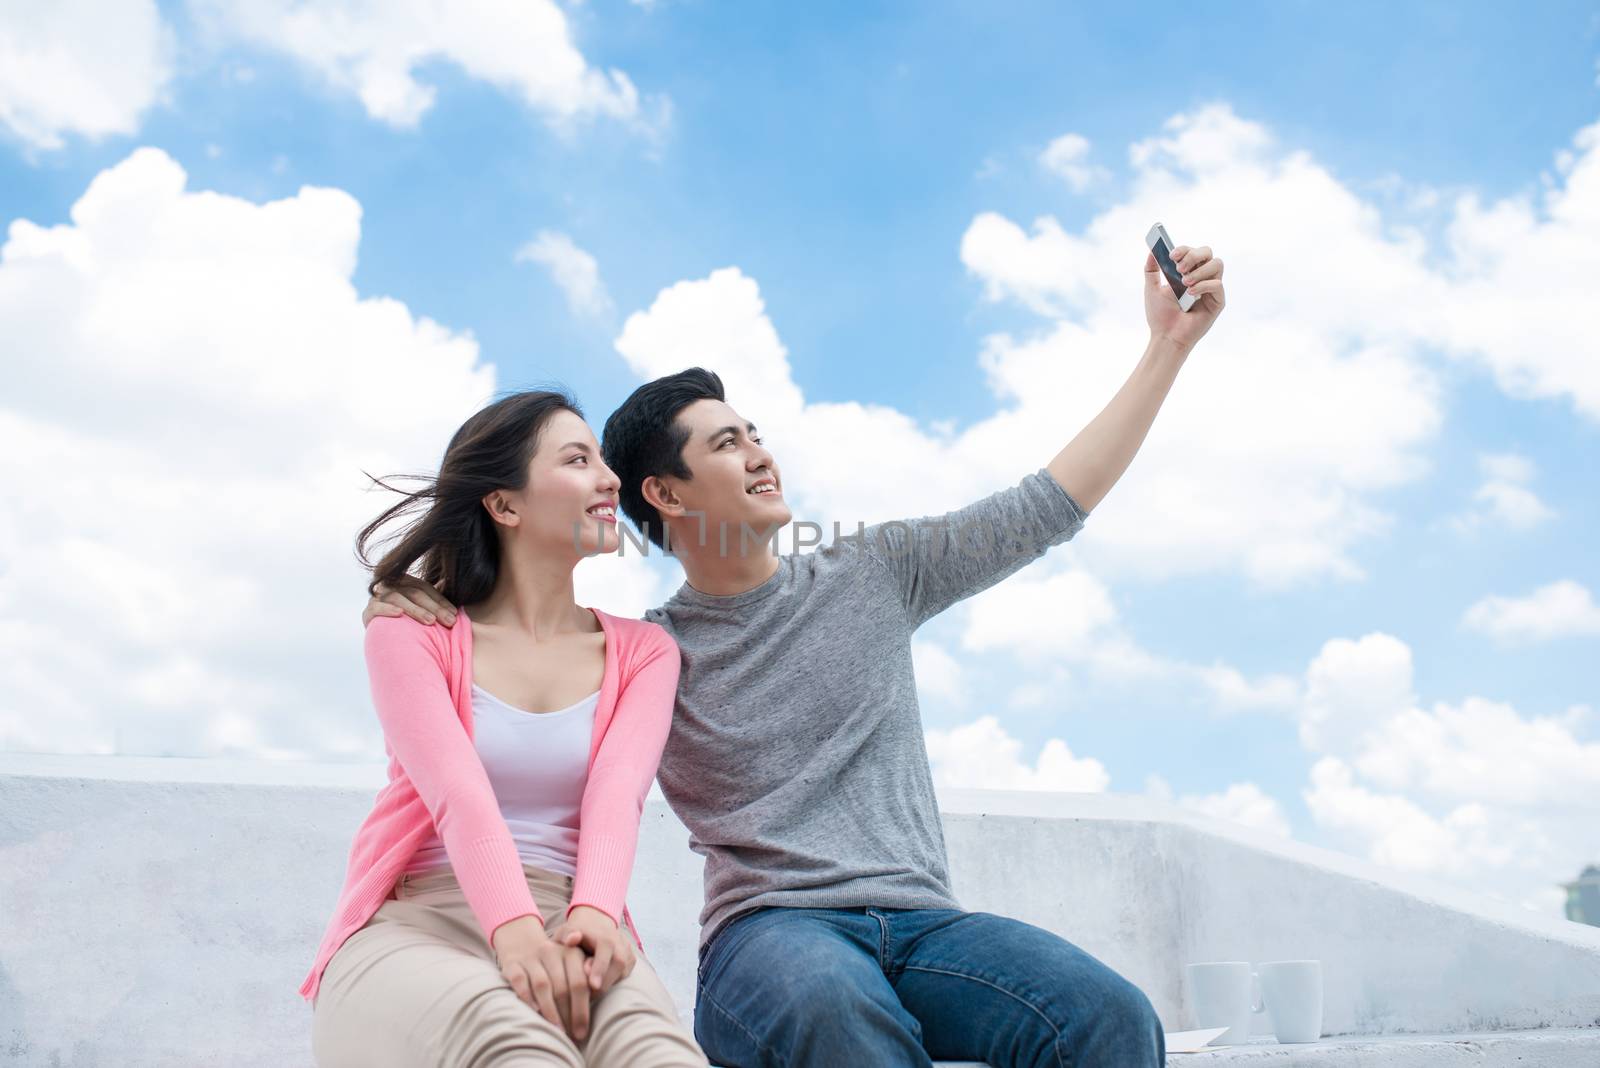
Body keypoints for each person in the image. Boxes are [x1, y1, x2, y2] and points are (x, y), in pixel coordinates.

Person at [367, 244, 1227, 1066]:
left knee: (1106, 1017)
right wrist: (436, 602)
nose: (760, 453)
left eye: (755, 433)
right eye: (726, 443)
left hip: (929, 927)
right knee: (834, 1009)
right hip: (769, 938)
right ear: (664, 494)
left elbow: (1047, 505)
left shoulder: (878, 571)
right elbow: (532, 689)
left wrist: (1166, 349)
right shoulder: (650, 654)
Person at [302, 389, 709, 1067]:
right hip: (417, 922)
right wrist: (512, 928)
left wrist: (592, 918)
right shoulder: (413, 630)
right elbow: (457, 793)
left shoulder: (646, 652)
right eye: (577, 460)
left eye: (603, 461)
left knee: (659, 1056)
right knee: (513, 1043)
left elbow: (617, 797)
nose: (609, 479)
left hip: (578, 919)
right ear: (505, 503)